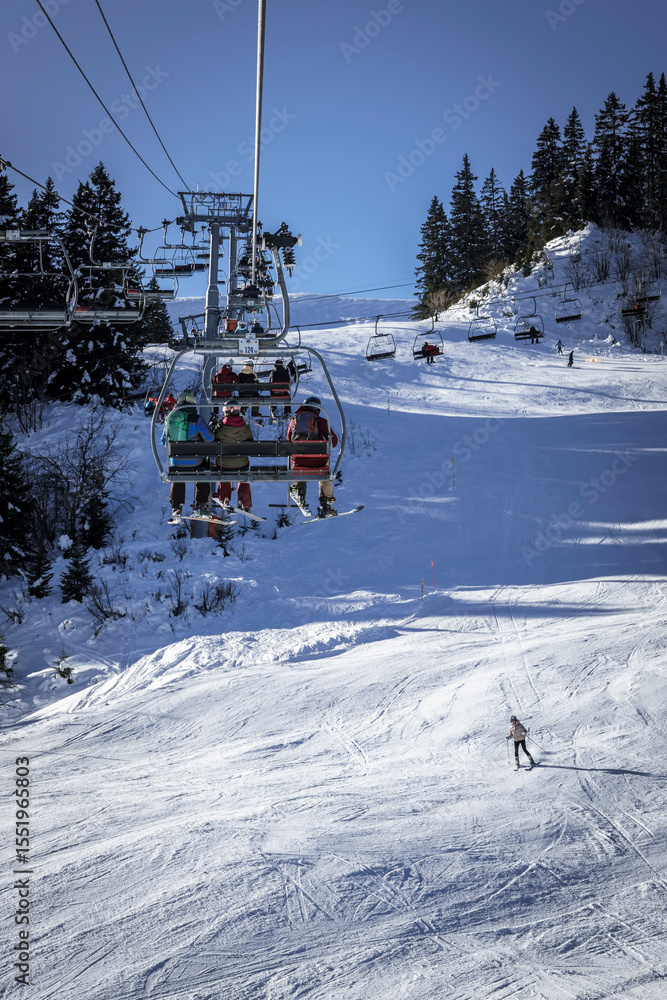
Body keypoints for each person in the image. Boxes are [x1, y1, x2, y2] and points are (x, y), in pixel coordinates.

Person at [161, 392, 214, 518]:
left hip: (177, 462)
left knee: (177, 473)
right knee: (204, 469)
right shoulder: (197, 420)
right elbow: (210, 439)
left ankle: (176, 507)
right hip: (196, 462)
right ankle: (200, 504)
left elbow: (164, 441)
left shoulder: (170, 419)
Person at [286, 395, 338, 515]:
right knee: (325, 474)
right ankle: (326, 503)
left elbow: (288, 440)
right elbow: (333, 443)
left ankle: (299, 492)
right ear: (318, 410)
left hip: (299, 462)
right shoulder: (322, 422)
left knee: (300, 468)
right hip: (319, 462)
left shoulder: (294, 421)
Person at [214, 397, 254, 512]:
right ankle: (244, 501)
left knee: (223, 470)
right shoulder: (245, 428)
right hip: (241, 463)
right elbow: (250, 441)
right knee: (244, 472)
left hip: (223, 463)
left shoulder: (220, 428)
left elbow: (214, 439)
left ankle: (224, 497)